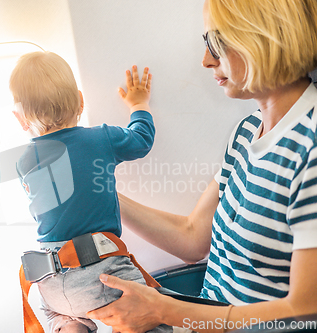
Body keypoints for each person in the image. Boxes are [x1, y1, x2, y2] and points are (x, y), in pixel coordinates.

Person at [86, 0, 317, 332]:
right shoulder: (247, 131)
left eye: (216, 43)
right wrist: (102, 195)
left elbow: (304, 313)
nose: (206, 60)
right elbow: (193, 238)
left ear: (262, 37)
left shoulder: (310, 147)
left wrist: (165, 311)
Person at [10, 51, 158, 332]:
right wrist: (139, 104)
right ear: (80, 101)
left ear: (20, 119)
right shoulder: (100, 139)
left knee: (67, 318)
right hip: (100, 272)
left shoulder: (23, 162)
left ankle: (70, 325)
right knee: (149, 313)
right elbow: (142, 140)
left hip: (50, 282)